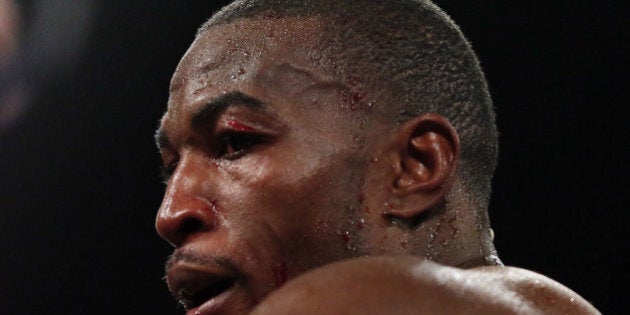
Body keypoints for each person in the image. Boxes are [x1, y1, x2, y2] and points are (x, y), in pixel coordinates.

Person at [154, 0, 600, 314]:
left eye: (236, 143)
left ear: (412, 167)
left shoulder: (360, 304)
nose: (171, 214)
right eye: (172, 167)